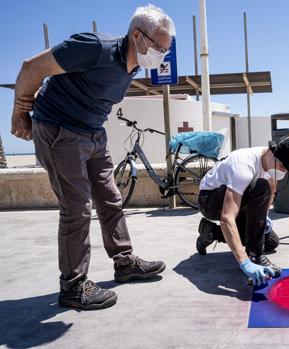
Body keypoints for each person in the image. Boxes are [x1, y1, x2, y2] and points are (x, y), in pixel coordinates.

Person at [10, 4, 174, 310]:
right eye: (157, 47)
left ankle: (124, 263)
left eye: (165, 49)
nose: (161, 55)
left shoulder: (135, 65)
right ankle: (72, 286)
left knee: (110, 198)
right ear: (136, 36)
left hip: (94, 133)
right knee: (77, 209)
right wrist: (20, 112)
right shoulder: (95, 48)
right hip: (60, 130)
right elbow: (31, 67)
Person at [196, 136, 289, 286]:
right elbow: (227, 218)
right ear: (273, 155)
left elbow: (272, 189)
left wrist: (262, 218)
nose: (284, 172)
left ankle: (211, 232)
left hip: (237, 198)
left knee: (270, 241)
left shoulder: (270, 163)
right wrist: (245, 263)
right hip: (210, 200)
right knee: (261, 187)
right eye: (283, 167)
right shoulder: (244, 166)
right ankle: (254, 257)